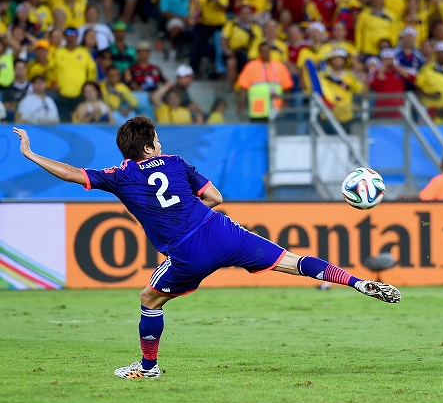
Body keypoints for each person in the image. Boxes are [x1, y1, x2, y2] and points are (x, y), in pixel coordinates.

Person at [11, 117, 400, 379]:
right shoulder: (176, 162)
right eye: (157, 141)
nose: (161, 145)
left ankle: (148, 367)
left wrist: (30, 154)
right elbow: (215, 195)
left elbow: (72, 174)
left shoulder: (119, 175)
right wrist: (194, 210)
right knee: (291, 260)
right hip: (222, 231)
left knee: (149, 299)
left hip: (187, 251)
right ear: (149, 149)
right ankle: (356, 282)